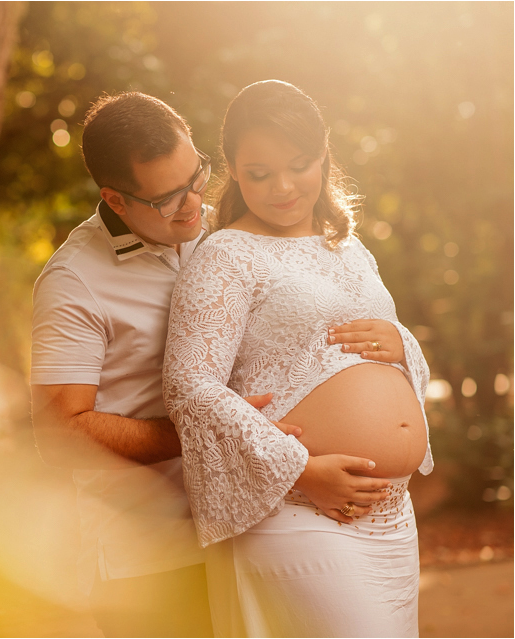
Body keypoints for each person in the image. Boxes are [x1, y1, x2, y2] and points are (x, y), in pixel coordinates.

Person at [30, 92, 400, 637]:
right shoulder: (73, 284)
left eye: (196, 178)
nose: (192, 205)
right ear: (116, 199)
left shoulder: (222, 230)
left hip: (251, 516)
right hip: (152, 550)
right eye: (166, 199)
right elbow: (60, 430)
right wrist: (212, 431)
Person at [163, 80, 433, 637]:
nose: (282, 187)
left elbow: (357, 358)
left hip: (392, 520)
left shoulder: (350, 247)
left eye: (299, 164)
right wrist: (299, 471)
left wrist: (400, 340)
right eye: (259, 174)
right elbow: (189, 383)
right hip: (302, 511)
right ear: (234, 170)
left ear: (324, 155)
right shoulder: (226, 254)